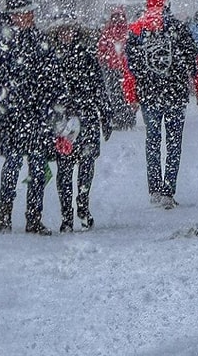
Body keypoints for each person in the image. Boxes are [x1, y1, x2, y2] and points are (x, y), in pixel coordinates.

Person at [0, 0, 67, 236]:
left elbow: (54, 78)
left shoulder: (39, 41)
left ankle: (33, 217)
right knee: (12, 165)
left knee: (37, 167)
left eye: (31, 11)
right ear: (13, 16)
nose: (31, 16)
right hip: (10, 115)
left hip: (37, 114)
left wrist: (60, 106)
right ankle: (5, 214)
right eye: (26, 12)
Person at [126, 0, 198, 209]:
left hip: (149, 95)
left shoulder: (137, 29)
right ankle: (169, 190)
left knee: (152, 141)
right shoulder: (178, 27)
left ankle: (154, 189)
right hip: (175, 94)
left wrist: (137, 90)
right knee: (173, 143)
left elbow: (130, 65)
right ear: (166, 5)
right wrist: (197, 87)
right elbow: (193, 58)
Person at [48, 16, 114, 233]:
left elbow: (99, 89)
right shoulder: (51, 59)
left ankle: (83, 207)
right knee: (65, 170)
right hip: (63, 123)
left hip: (86, 119)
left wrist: (105, 115)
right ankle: (67, 214)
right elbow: (46, 93)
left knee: (86, 166)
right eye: (62, 31)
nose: (66, 35)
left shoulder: (87, 57)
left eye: (70, 31)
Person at [96, 6, 137, 130]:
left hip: (117, 68)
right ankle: (125, 117)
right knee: (122, 94)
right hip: (121, 68)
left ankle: (122, 117)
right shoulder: (127, 31)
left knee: (118, 94)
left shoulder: (109, 31)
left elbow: (101, 48)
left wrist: (105, 58)